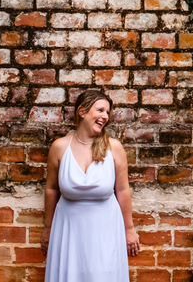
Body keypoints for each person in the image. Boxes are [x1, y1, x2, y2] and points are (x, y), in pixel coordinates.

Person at [41, 88, 140, 282]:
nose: (105, 116)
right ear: (82, 111)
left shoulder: (114, 148)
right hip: (68, 230)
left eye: (107, 113)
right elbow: (51, 189)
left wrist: (129, 230)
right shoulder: (60, 147)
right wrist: (47, 229)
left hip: (105, 231)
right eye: (100, 110)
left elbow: (123, 190)